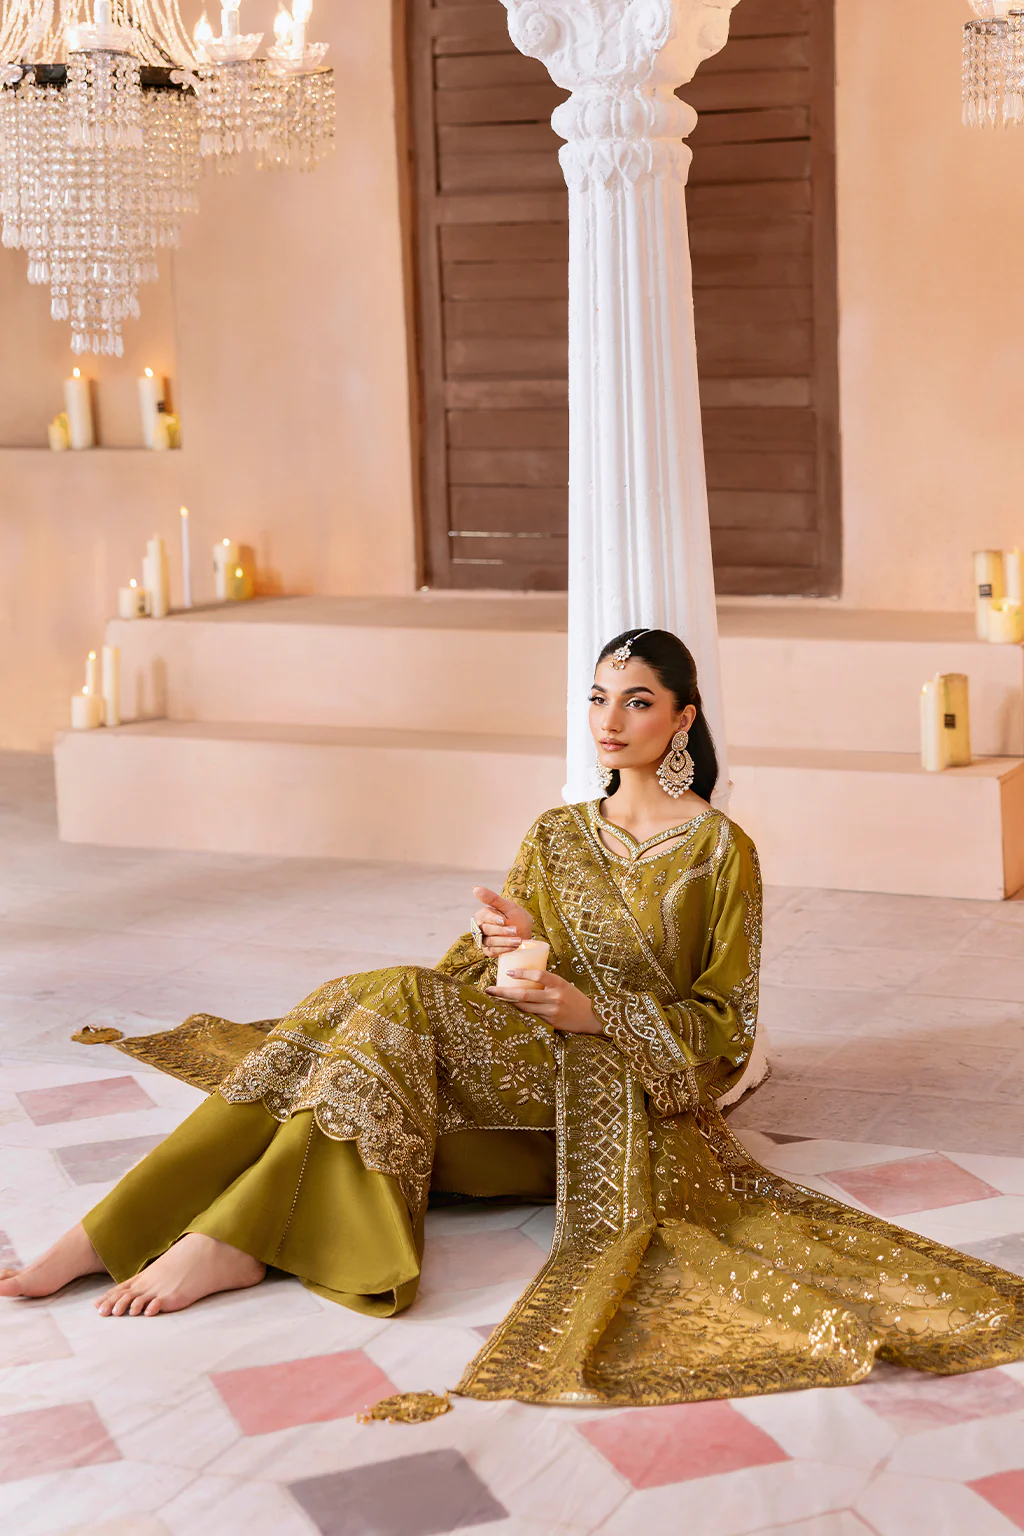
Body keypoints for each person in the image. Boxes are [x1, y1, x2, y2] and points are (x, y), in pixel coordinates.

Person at [3, 628, 1022, 1410]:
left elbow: (721, 1031)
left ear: (683, 718)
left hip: (613, 1105)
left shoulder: (721, 852)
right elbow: (474, 982)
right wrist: (507, 947)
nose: (610, 720)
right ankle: (141, 1232)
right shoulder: (556, 831)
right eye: (598, 698)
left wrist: (593, 1012)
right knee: (364, 1007)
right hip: (520, 1065)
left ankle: (189, 1237)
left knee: (382, 1003)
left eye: (637, 701)